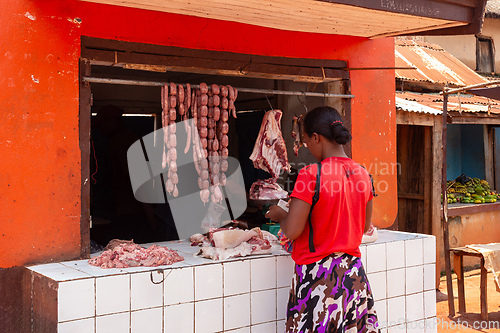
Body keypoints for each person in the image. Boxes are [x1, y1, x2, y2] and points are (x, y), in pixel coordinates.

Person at [265, 106, 379, 332]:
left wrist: (280, 214)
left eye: (306, 141)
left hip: (317, 279)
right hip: (353, 277)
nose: (307, 147)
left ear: (316, 138)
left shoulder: (310, 175)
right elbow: (364, 226)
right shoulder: (364, 174)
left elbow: (292, 231)